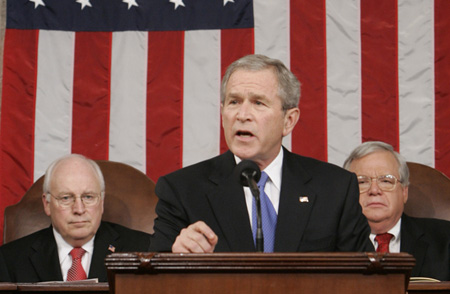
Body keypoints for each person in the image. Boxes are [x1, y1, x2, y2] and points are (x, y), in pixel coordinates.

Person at [149, 54, 373, 253]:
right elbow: (152, 281)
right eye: (234, 101)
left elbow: (367, 277)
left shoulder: (335, 188)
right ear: (222, 113)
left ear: (289, 120)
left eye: (258, 103)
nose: (242, 114)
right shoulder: (182, 190)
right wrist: (176, 259)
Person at [0, 154, 151, 283]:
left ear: (102, 202)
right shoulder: (9, 260)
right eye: (66, 198)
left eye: (88, 197)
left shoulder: (145, 250)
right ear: (47, 204)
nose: (79, 209)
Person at [343, 141, 450, 281]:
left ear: (404, 192)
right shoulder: (329, 244)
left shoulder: (446, 239)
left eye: (386, 181)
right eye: (362, 182)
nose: (374, 190)